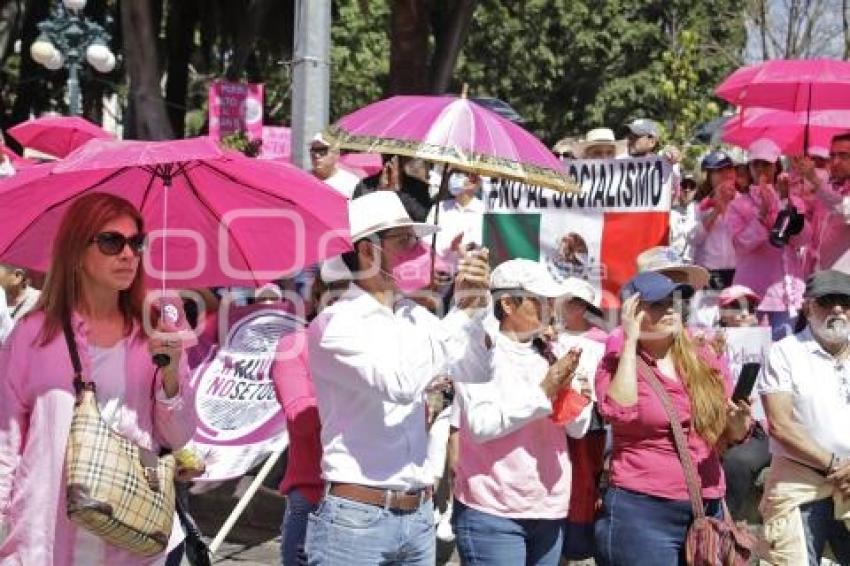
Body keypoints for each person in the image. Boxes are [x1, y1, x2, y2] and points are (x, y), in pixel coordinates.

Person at [0, 192, 195, 565]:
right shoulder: (33, 333)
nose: (128, 254)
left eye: (136, 242)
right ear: (76, 250)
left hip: (132, 531)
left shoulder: (155, 332)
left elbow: (178, 436)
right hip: (46, 535)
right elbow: (6, 440)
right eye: (111, 241)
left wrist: (171, 373)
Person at [305, 190, 491, 565]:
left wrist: (475, 310)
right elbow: (401, 384)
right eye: (404, 241)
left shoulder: (417, 316)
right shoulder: (335, 322)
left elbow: (475, 370)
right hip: (356, 518)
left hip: (417, 514)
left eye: (415, 240)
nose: (418, 251)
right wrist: (458, 314)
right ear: (368, 252)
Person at [594, 271, 752, 566]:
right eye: (656, 304)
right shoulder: (617, 360)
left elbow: (726, 432)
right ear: (633, 313)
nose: (669, 309)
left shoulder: (703, 354)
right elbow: (619, 411)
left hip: (706, 506)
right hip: (642, 511)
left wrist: (737, 425)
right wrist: (629, 342)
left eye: (673, 301)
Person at [450, 259, 590, 566]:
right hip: (492, 511)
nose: (550, 308)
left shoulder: (552, 350)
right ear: (508, 304)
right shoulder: (478, 350)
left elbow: (576, 429)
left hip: (549, 507)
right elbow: (482, 425)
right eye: (540, 301)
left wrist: (578, 397)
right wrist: (545, 390)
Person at [758, 270, 850, 565]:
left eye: (845, 301)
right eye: (827, 301)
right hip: (800, 486)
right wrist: (837, 466)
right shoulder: (785, 353)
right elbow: (780, 425)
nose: (837, 309)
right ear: (809, 307)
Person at [273, 258, 350, 566]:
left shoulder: (386, 349)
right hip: (315, 501)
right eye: (336, 294)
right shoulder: (294, 345)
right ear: (318, 297)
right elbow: (302, 421)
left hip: (378, 512)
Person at [727, 139, 812, 340]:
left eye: (766, 163)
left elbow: (803, 239)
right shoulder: (738, 205)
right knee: (752, 358)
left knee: (783, 356)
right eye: (755, 164)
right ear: (749, 168)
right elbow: (739, 245)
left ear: (776, 166)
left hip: (785, 292)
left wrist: (786, 204)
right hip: (751, 292)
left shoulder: (792, 199)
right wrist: (760, 216)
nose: (761, 168)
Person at [796, 132, 850, 272]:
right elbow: (805, 234)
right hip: (817, 277)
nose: (836, 162)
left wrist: (814, 179)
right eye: (832, 156)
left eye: (844, 156)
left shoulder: (824, 190)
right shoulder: (828, 188)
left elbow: (844, 209)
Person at [693, 150, 737, 290]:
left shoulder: (743, 201)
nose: (725, 175)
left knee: (736, 312)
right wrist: (715, 211)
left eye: (728, 169)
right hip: (708, 273)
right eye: (718, 171)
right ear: (709, 176)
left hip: (738, 272)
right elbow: (693, 238)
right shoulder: (698, 204)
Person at [425, 171, 484, 265]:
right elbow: (426, 243)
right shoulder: (439, 208)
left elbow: (483, 248)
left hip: (470, 273)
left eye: (460, 173)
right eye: (453, 172)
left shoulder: (484, 212)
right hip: (439, 272)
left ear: (474, 180)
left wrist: (464, 250)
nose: (454, 177)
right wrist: (449, 247)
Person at [557, 276, 609, 344]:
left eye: (565, 302)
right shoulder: (556, 332)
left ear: (580, 307)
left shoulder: (599, 339)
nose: (559, 306)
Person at [309, 133, 359, 199]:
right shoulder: (303, 179)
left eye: (322, 150)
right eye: (313, 151)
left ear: (336, 154)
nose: (316, 155)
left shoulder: (351, 183)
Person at [669, 174, 699, 262]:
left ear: (695, 190)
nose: (687, 190)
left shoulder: (700, 211)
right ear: (680, 189)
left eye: (691, 187)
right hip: (674, 262)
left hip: (694, 263)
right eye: (684, 186)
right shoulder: (671, 213)